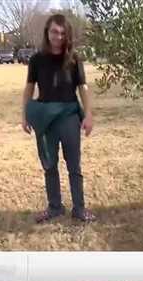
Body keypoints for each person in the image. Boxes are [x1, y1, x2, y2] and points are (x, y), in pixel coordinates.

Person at [22, 14, 95, 223]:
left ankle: (79, 209)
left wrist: (88, 114)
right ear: (47, 31)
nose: (58, 36)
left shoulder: (74, 58)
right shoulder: (36, 59)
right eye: (54, 31)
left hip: (69, 117)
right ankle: (55, 207)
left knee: (74, 165)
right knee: (49, 165)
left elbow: (83, 88)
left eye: (63, 33)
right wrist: (24, 115)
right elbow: (29, 89)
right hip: (45, 120)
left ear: (67, 35)